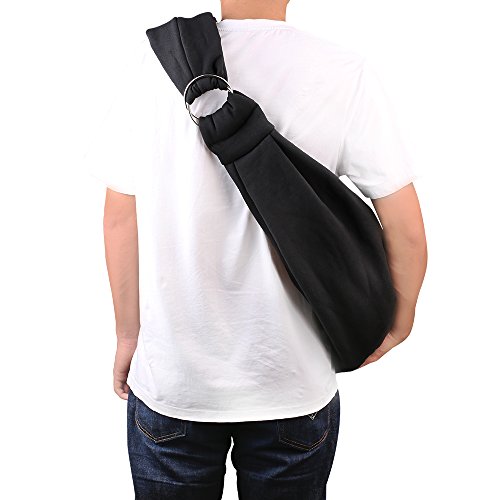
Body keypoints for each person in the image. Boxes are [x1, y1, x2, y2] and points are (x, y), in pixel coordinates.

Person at [83, 0, 427, 498]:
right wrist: (400, 318)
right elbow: (406, 227)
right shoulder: (344, 72)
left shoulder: (155, 60)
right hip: (292, 381)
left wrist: (127, 336)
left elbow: (119, 216)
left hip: (175, 382)